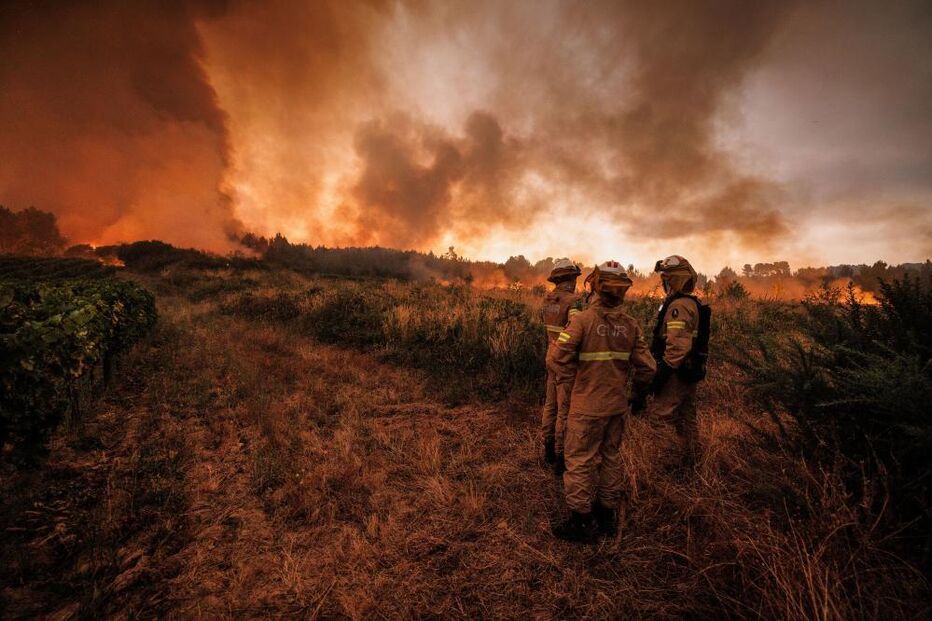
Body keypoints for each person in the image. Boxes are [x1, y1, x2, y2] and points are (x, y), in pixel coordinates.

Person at [548, 261, 656, 542]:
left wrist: (572, 384)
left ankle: (581, 522)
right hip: (617, 407)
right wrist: (635, 395)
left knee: (580, 460)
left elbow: (556, 358)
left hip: (586, 407)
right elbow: (648, 368)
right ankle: (607, 516)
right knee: (611, 458)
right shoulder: (631, 326)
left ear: (595, 286)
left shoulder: (582, 321)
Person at [635, 255, 710, 469]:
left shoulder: (679, 306)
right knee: (687, 419)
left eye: (666, 278)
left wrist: (663, 372)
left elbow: (678, 346)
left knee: (659, 416)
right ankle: (691, 462)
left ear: (675, 280)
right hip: (687, 371)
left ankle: (662, 465)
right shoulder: (689, 303)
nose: (663, 282)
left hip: (676, 373)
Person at [540, 258, 583, 474]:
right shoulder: (574, 301)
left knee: (550, 405)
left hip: (551, 355)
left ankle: (547, 448)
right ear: (569, 278)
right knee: (564, 409)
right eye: (575, 277)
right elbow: (575, 331)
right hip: (566, 359)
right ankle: (560, 457)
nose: (576, 282)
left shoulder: (548, 299)